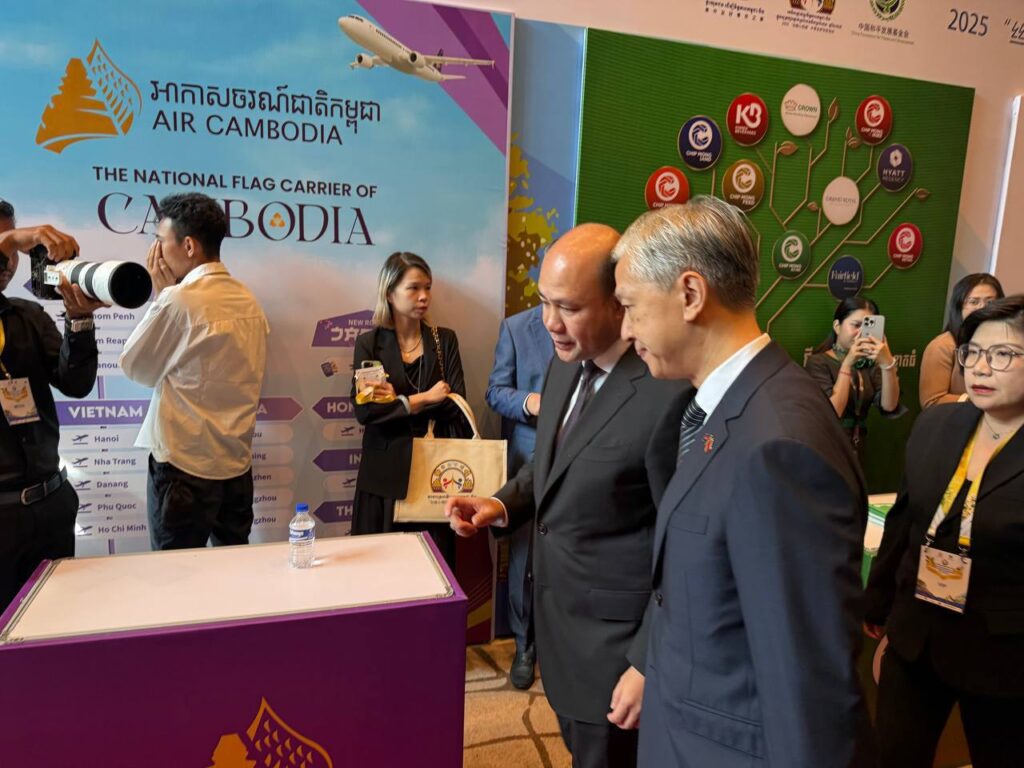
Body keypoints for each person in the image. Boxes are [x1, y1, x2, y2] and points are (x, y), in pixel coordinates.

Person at [611, 197, 874, 767]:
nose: (626, 330)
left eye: (630, 306)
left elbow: (808, 685)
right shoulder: (721, 407)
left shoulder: (780, 444)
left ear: (690, 294)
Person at [447, 224, 687, 768]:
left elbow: (683, 545)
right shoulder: (563, 364)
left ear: (619, 303)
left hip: (617, 650)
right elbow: (553, 464)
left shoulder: (666, 393)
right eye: (544, 302)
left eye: (569, 307)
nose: (549, 322)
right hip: (559, 629)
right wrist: (502, 504)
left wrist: (647, 659)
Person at [865, 295, 1024, 768]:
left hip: (1003, 656)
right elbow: (905, 519)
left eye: (1003, 354)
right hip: (917, 636)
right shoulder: (937, 423)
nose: (981, 367)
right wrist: (877, 601)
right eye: (972, 352)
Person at [120, 193, 269, 551]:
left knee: (176, 575)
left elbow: (136, 368)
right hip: (236, 466)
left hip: (183, 471)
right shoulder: (248, 300)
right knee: (235, 570)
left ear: (188, 245)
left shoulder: (179, 300)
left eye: (159, 240)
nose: (155, 252)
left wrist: (163, 298)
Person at [0, 204, 104, 611]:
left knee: (55, 622)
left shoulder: (26, 315)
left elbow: (76, 384)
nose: (8, 260)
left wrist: (79, 321)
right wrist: (13, 239)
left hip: (51, 506)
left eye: (12, 249)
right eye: (4, 245)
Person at [350, 251, 469, 569]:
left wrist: (396, 402)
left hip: (434, 477)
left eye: (427, 287)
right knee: (378, 572)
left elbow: (456, 406)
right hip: (383, 478)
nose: (424, 296)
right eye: (414, 288)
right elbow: (366, 413)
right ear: (390, 293)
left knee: (434, 570)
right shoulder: (369, 344)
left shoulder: (444, 341)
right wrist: (423, 399)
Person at [484, 304, 554, 689]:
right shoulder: (516, 328)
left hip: (586, 453)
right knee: (525, 555)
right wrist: (531, 402)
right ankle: (524, 643)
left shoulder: (602, 322)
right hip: (530, 455)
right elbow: (495, 392)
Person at [805, 296, 904, 466]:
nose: (861, 333)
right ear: (837, 327)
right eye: (856, 325)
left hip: (858, 448)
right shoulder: (818, 362)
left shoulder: (870, 365)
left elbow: (889, 406)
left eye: (867, 327)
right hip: (828, 447)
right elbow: (833, 412)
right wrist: (848, 362)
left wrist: (887, 364)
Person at [920, 273, 1004, 408]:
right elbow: (932, 401)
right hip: (958, 419)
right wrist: (979, 399)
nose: (982, 308)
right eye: (974, 302)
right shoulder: (942, 346)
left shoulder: (1009, 344)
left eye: (990, 302)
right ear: (959, 307)